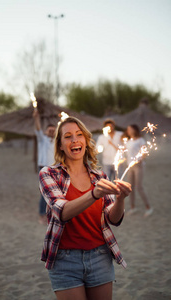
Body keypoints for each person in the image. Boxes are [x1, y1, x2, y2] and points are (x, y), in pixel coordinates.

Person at [39, 116, 132, 300]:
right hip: (65, 260)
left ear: (85, 140)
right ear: (60, 145)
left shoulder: (99, 176)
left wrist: (120, 199)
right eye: (68, 136)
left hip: (100, 256)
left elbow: (112, 219)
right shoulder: (49, 174)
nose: (74, 140)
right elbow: (61, 212)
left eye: (79, 134)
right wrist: (93, 194)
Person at [33, 109, 56, 224]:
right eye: (49, 129)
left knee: (56, 192)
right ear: (46, 131)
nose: (51, 131)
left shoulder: (59, 141)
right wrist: (36, 117)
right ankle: (42, 215)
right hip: (43, 168)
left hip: (56, 169)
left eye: (53, 130)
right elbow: (38, 128)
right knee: (45, 192)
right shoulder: (42, 139)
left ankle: (52, 214)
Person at [126, 124, 153, 217]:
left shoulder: (140, 140)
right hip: (130, 167)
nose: (128, 131)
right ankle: (133, 207)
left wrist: (140, 160)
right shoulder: (129, 141)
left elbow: (144, 152)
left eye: (130, 129)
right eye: (128, 129)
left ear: (134, 130)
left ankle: (148, 207)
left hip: (139, 166)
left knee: (139, 187)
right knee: (130, 188)